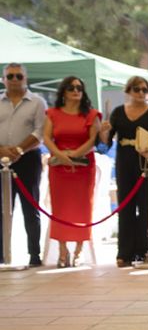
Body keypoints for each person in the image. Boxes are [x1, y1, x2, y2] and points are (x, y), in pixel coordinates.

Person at [105, 75, 148, 267]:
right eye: (137, 89)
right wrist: (103, 131)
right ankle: (124, 253)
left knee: (147, 207)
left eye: (145, 89)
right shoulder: (119, 112)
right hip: (124, 160)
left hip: (146, 162)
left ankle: (145, 250)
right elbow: (106, 142)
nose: (141, 93)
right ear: (128, 91)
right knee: (125, 206)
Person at [43, 77, 103, 267]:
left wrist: (75, 155)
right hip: (59, 167)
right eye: (71, 88)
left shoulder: (91, 114)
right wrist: (60, 155)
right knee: (60, 208)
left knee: (82, 207)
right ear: (63, 92)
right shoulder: (52, 113)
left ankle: (78, 250)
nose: (76, 91)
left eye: (79, 88)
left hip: (83, 166)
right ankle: (62, 251)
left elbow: (94, 139)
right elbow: (46, 136)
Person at [0, 62, 46, 266]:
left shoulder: (37, 102)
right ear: (4, 79)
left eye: (19, 76)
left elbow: (40, 131)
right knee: (1, 208)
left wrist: (19, 149)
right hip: (0, 158)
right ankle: (1, 255)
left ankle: (34, 255)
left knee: (31, 207)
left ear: (25, 78)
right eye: (10, 76)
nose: (15, 80)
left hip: (28, 159)